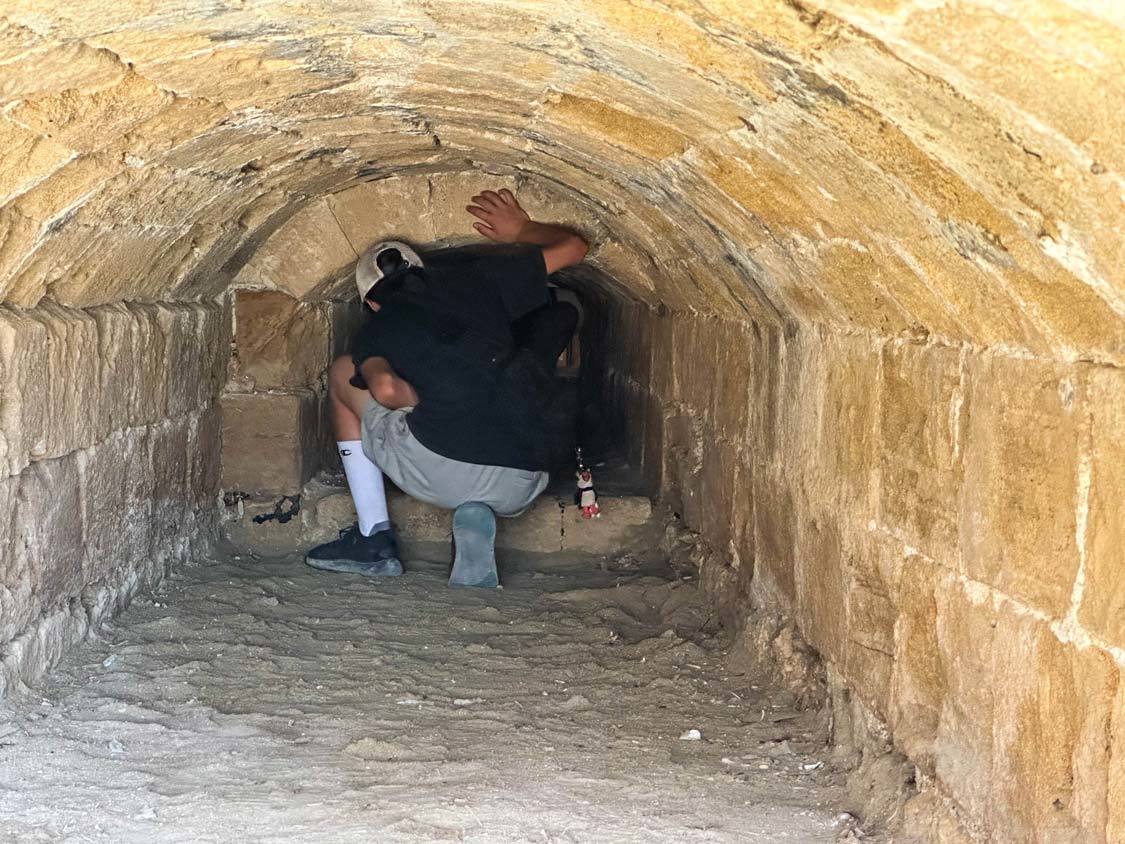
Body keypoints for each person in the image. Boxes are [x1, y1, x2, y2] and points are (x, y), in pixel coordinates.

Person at [305, 188, 588, 587]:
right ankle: (474, 517)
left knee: (342, 373)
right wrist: (521, 227)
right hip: (528, 476)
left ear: (370, 302)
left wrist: (418, 401)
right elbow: (574, 247)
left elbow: (385, 389)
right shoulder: (482, 282)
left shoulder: (379, 328)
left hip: (446, 473)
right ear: (426, 271)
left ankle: (373, 538)